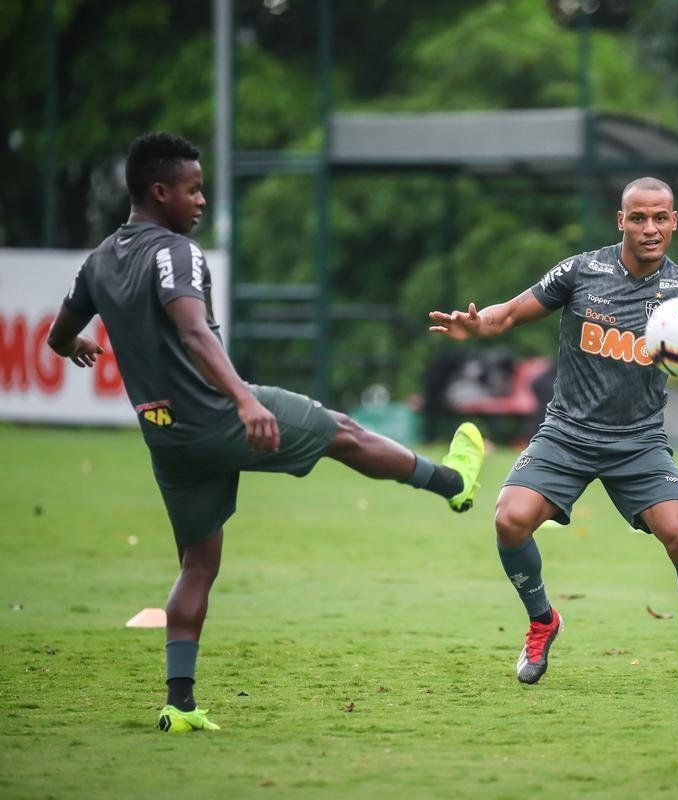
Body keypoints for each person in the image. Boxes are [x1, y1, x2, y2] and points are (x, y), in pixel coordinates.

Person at [46, 132, 486, 734]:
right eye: (193, 189)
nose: (201, 201)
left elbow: (56, 334)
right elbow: (197, 333)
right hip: (218, 415)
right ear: (159, 192)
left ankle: (179, 704)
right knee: (343, 431)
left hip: (165, 435)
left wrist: (74, 343)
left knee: (197, 564)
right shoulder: (175, 253)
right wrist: (246, 400)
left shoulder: (98, 261)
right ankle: (453, 480)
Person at [429, 177, 678, 689]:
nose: (649, 229)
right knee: (509, 520)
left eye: (660, 218)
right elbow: (511, 314)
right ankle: (542, 621)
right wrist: (478, 325)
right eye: (638, 218)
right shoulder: (583, 271)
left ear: (675, 222)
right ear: (621, 221)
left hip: (639, 442)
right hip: (567, 433)